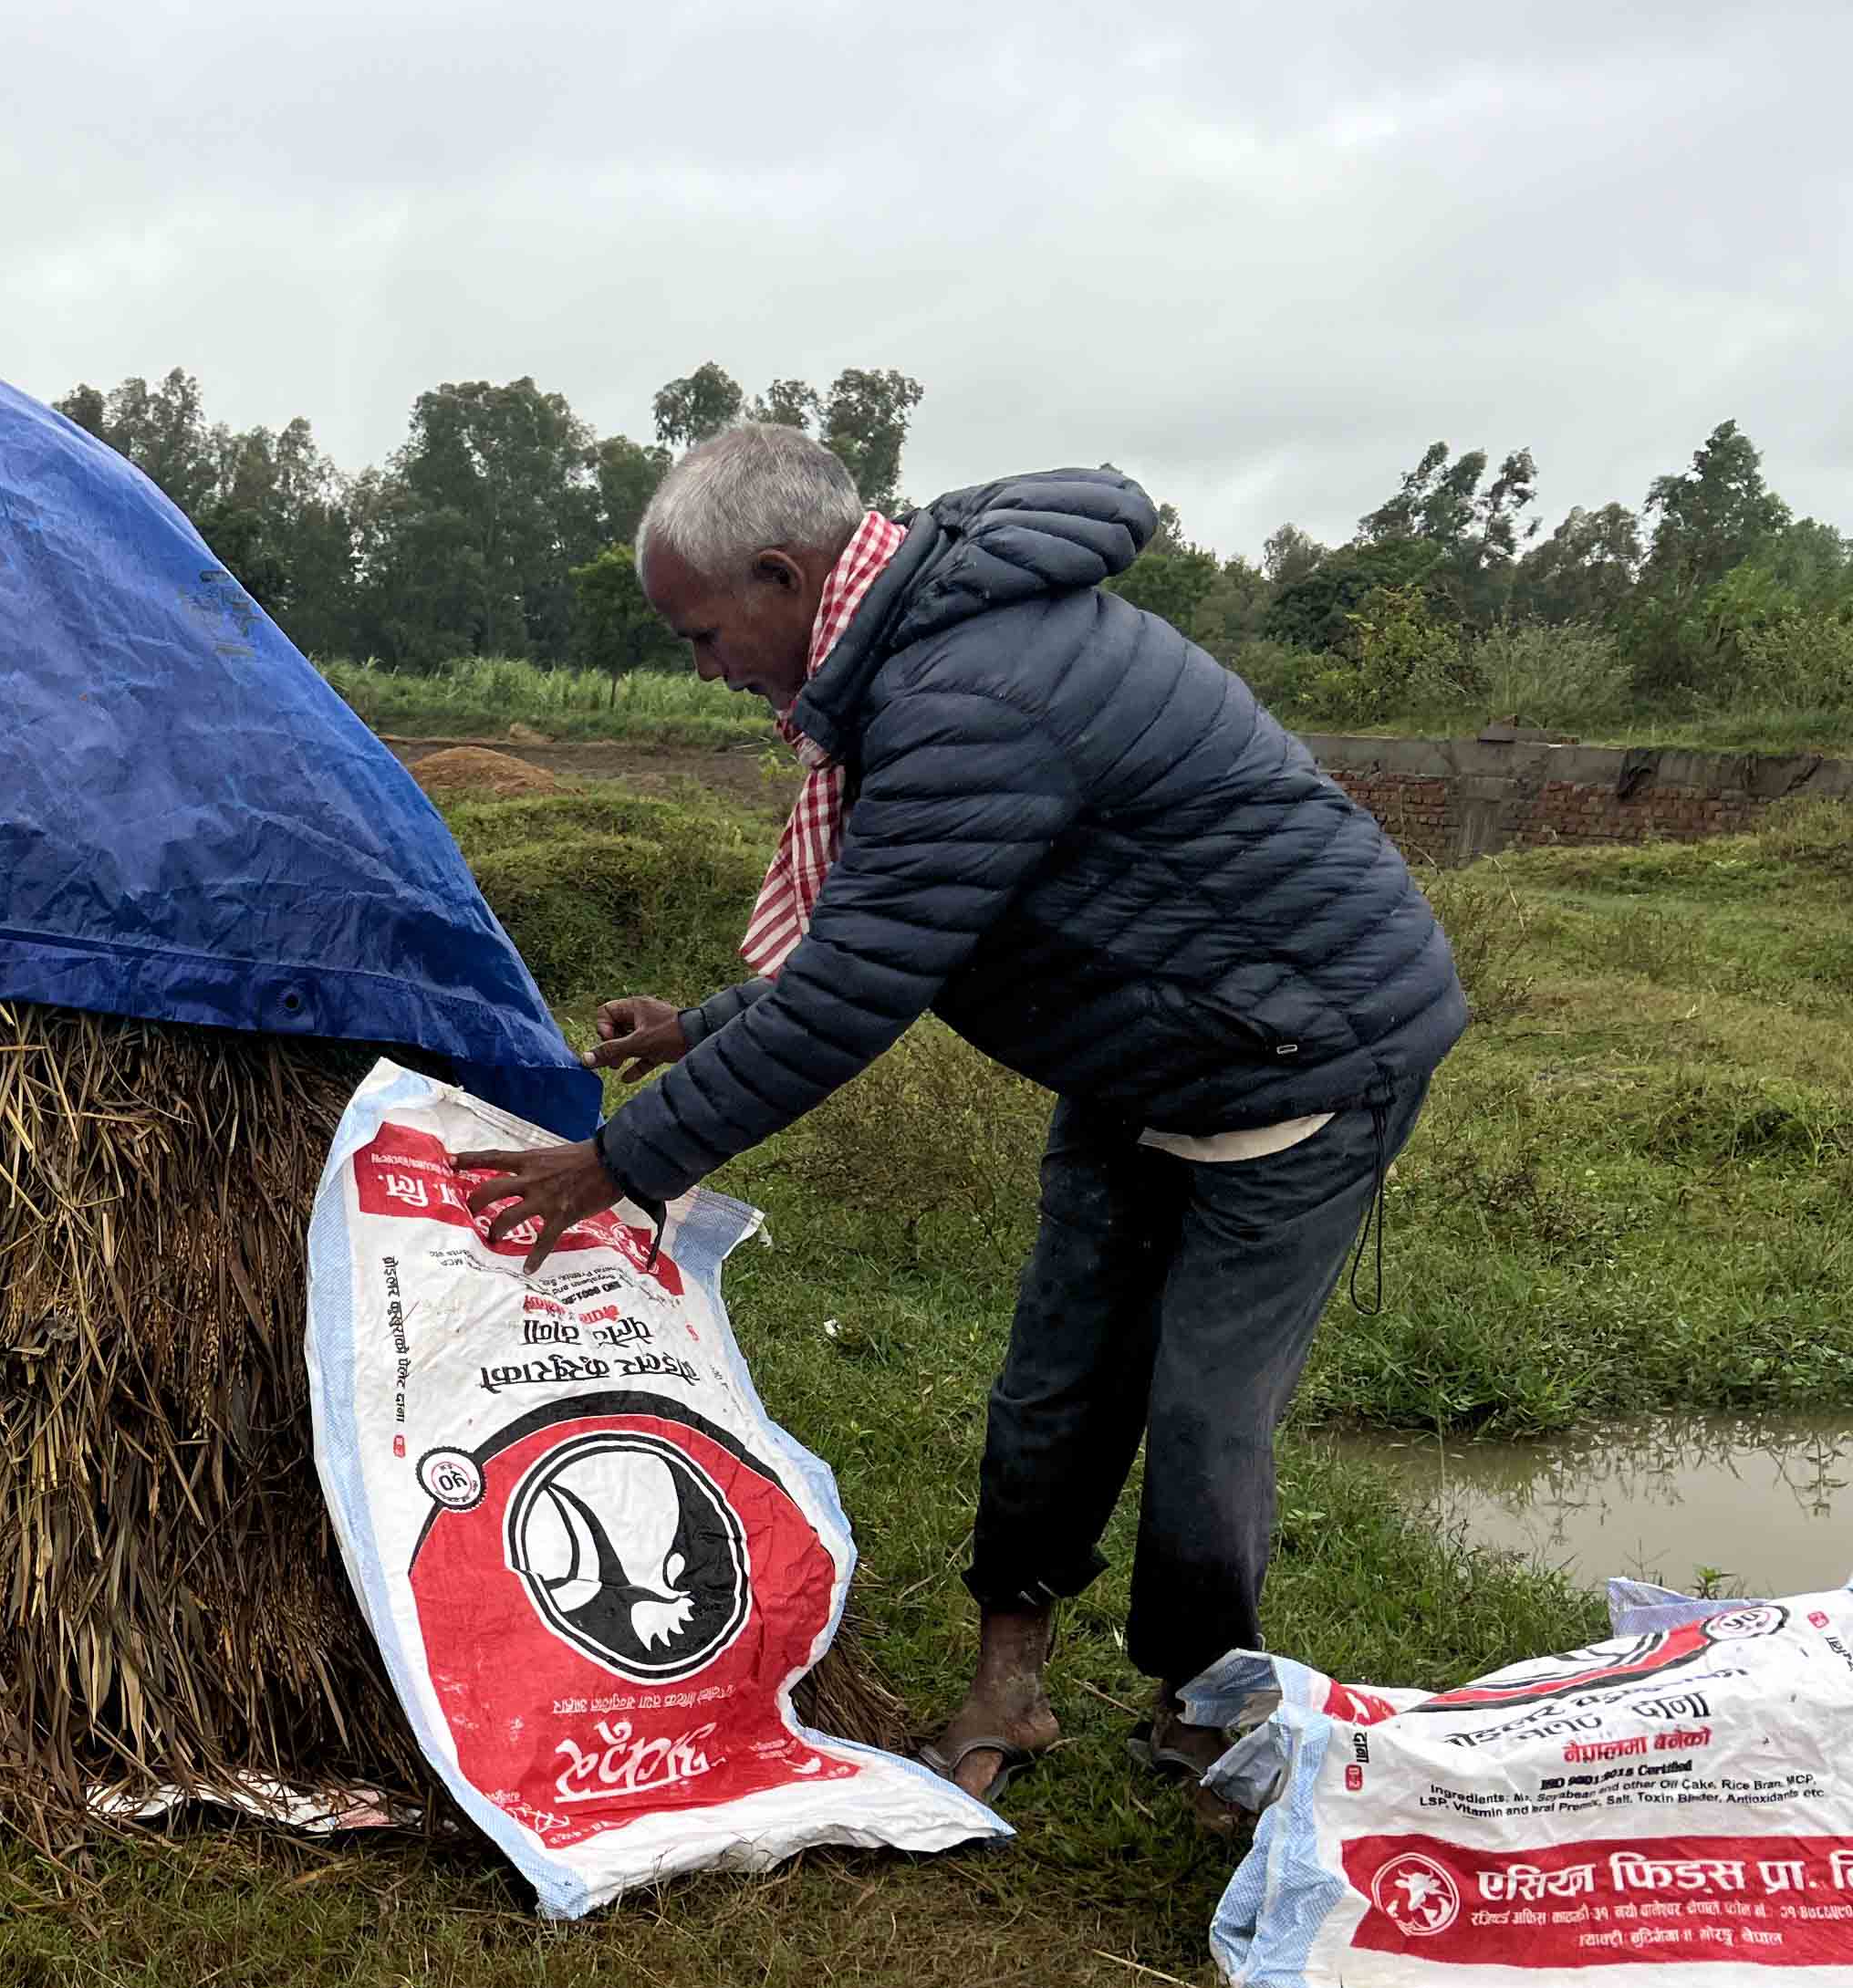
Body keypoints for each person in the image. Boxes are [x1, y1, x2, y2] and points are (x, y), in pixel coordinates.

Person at [457, 422, 1466, 1816]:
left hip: (1299, 1059)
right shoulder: (907, 664)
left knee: (1204, 1415)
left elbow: (862, 986)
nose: (703, 668)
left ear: (782, 574)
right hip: (1145, 1047)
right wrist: (703, 1024)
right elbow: (889, 927)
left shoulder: (970, 690)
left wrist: (622, 1160)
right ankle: (1012, 1682)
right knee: (1055, 1377)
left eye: (702, 634)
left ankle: (1202, 1704)